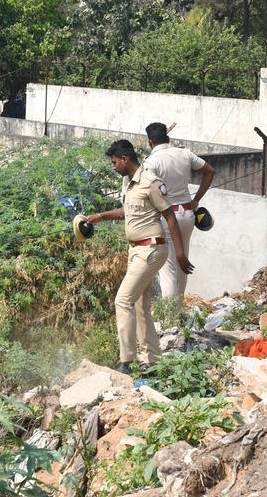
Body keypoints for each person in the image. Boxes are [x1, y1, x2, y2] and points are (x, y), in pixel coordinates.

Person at [84, 139, 192, 374]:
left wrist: (181, 253)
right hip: (136, 250)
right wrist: (100, 216)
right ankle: (153, 359)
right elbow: (128, 211)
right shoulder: (129, 183)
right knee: (142, 305)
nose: (113, 167)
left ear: (124, 159)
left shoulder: (151, 182)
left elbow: (170, 216)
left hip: (151, 250)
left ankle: (127, 361)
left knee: (122, 300)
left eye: (114, 162)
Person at [141, 121, 215, 299]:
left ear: (150, 141)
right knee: (183, 264)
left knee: (168, 270)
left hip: (167, 218)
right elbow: (210, 171)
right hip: (188, 215)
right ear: (168, 137)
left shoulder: (151, 162)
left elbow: (145, 191)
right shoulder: (184, 153)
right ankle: (178, 308)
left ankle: (170, 317)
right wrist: (196, 199)